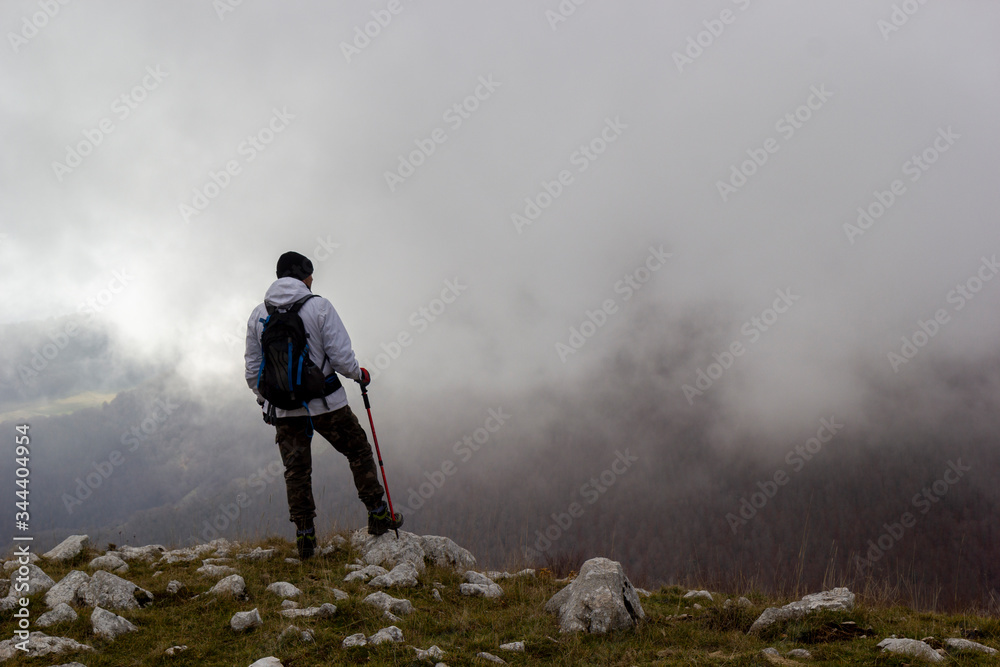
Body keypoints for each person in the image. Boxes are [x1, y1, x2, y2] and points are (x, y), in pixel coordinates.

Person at [244, 251, 402, 559]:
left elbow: (253, 368)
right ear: (303, 275)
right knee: (357, 449)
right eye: (311, 273)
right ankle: (378, 514)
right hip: (326, 404)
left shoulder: (258, 315)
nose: (313, 278)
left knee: (296, 470)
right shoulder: (319, 307)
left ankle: (305, 538)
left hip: (284, 410)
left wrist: (265, 399)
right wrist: (361, 375)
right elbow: (342, 358)